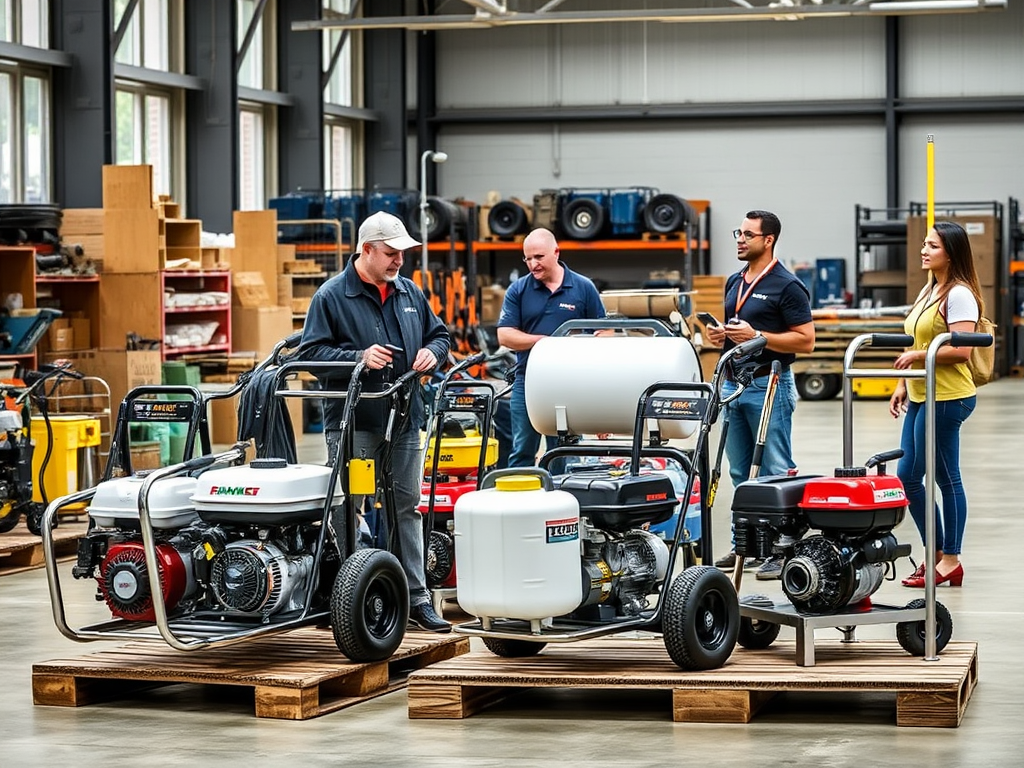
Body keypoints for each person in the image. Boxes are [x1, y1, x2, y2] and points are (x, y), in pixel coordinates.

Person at [298, 211, 452, 632]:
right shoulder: (331, 297)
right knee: (350, 508)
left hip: (404, 420)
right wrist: (358, 358)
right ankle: (352, 598)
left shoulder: (409, 293)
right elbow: (309, 357)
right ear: (365, 250)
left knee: (406, 506)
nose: (399, 261)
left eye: (402, 253)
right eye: (390, 253)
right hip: (356, 426)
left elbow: (442, 336)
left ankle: (416, 598)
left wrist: (433, 355)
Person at [706, 210, 815, 580]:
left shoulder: (788, 286)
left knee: (775, 469)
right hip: (734, 384)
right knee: (740, 470)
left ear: (768, 240)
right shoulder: (735, 282)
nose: (740, 239)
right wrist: (720, 337)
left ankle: (784, 548)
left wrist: (760, 337)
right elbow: (740, 332)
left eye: (748, 234)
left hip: (769, 384)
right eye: (739, 232)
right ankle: (751, 545)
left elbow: (806, 340)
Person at [889, 221, 982, 589]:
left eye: (933, 246)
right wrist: (901, 383)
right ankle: (937, 554)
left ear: (951, 253)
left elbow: (961, 350)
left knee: (946, 478)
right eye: (925, 244)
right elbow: (912, 339)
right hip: (921, 394)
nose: (924, 250)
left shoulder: (959, 295)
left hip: (948, 397)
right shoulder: (928, 291)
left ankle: (950, 559)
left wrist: (917, 355)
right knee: (908, 476)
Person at [496, 227, 606, 468]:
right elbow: (504, 335)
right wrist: (548, 343)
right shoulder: (518, 290)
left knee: (565, 450)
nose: (533, 264)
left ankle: (565, 500)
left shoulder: (583, 288)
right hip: (529, 381)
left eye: (539, 257)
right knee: (522, 449)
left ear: (556, 252)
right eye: (528, 258)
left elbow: (604, 332)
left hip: (571, 382)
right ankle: (522, 504)